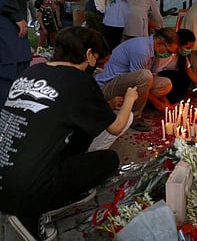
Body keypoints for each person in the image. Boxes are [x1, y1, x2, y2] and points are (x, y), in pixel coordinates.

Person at [0, 26, 138, 241]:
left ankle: (31, 199)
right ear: (89, 54)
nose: (96, 65)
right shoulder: (79, 80)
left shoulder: (31, 71)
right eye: (97, 59)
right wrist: (130, 99)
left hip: (4, 177)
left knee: (76, 132)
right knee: (107, 161)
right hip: (25, 191)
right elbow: (116, 127)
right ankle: (35, 213)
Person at [95, 27, 180, 132]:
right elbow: (140, 82)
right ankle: (135, 117)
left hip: (127, 82)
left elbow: (153, 77)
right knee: (145, 76)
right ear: (159, 42)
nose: (170, 55)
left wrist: (167, 105)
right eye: (169, 51)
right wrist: (158, 105)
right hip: (109, 84)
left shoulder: (155, 51)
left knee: (166, 84)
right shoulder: (142, 50)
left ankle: (136, 103)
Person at [149, 28, 197, 108]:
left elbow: (189, 72)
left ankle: (172, 100)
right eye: (187, 48)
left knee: (184, 78)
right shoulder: (163, 54)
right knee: (172, 76)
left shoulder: (181, 56)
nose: (189, 51)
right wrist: (165, 103)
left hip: (168, 82)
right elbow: (154, 74)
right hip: (158, 81)